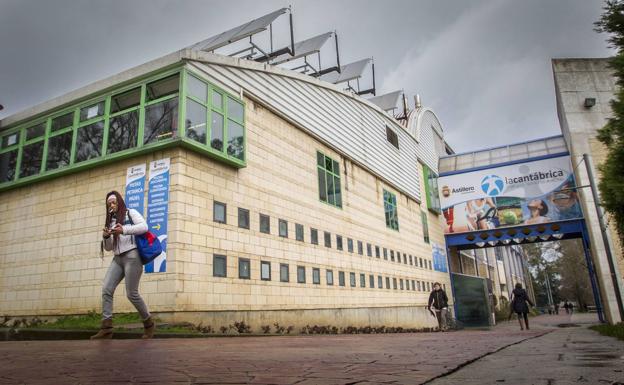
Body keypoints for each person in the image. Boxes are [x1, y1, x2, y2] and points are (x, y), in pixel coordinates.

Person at [91, 191, 155, 340]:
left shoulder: (130, 213)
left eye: (113, 202)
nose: (111, 206)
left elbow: (144, 227)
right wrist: (106, 237)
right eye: (109, 205)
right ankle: (106, 328)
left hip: (132, 256)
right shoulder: (110, 222)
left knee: (131, 294)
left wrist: (124, 229)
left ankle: (149, 324)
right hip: (117, 259)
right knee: (106, 289)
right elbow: (108, 248)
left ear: (119, 202)